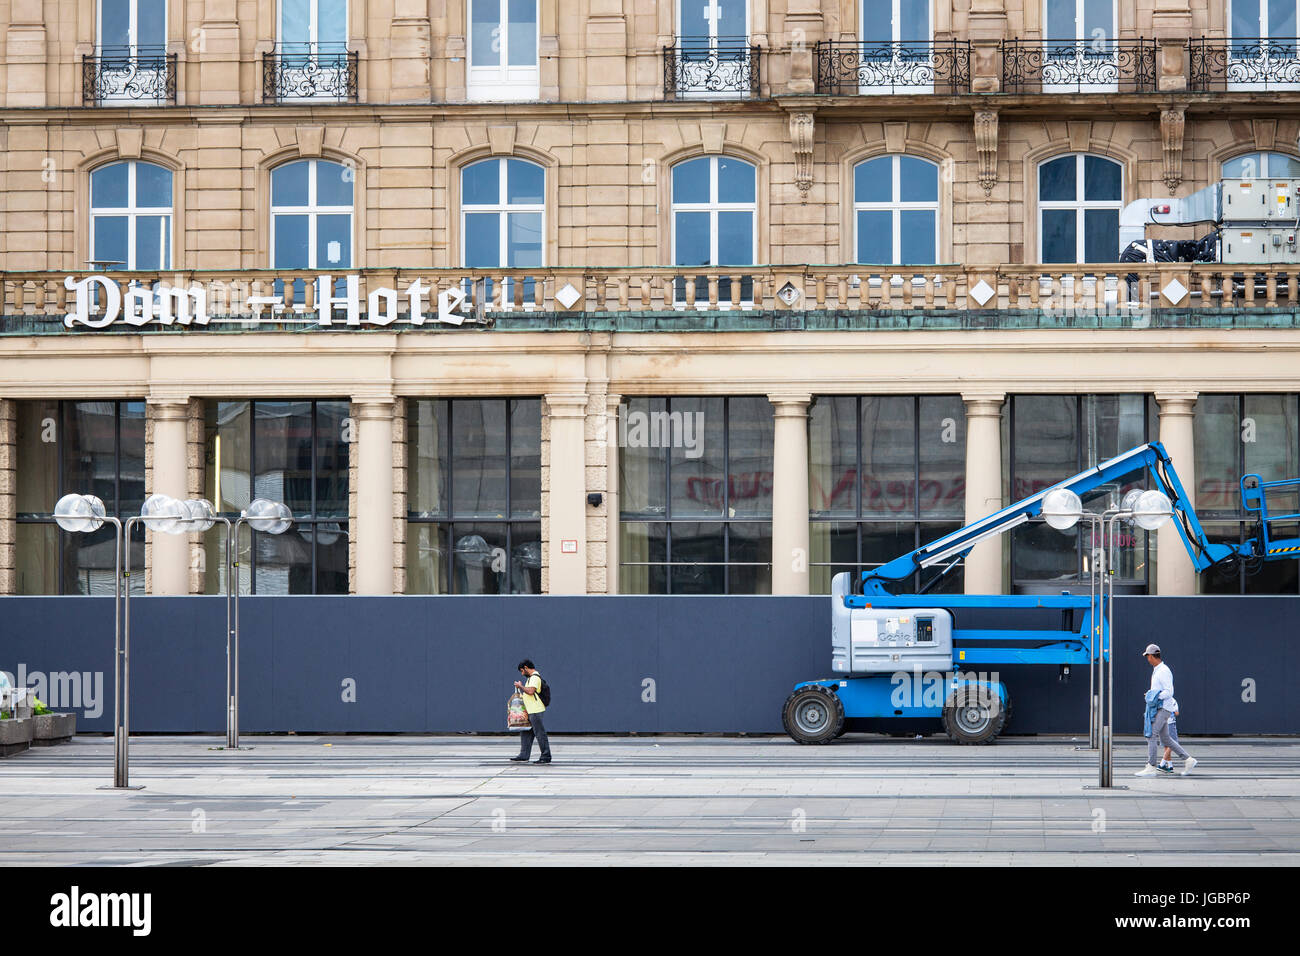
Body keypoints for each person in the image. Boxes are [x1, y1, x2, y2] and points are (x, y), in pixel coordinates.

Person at [1135, 644, 1197, 777]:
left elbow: (1169, 692)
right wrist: (1153, 694)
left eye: (1148, 656)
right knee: (1166, 738)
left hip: (1163, 708)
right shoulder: (1158, 669)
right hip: (1161, 707)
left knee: (1151, 734)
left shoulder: (1163, 670)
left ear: (1151, 656)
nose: (1147, 659)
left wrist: (1154, 696)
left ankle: (1151, 766)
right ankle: (1188, 759)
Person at [509, 659, 551, 765]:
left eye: (522, 671)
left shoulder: (535, 678)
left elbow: (531, 691)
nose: (522, 673)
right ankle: (524, 755)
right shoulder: (530, 678)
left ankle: (546, 756)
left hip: (536, 710)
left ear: (526, 668)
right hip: (530, 710)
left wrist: (520, 686)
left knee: (539, 733)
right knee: (526, 732)